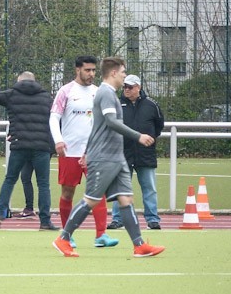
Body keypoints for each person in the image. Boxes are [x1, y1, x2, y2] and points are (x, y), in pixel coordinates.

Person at [52, 57, 165, 258]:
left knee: (126, 199)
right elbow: (111, 122)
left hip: (116, 156)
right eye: (123, 72)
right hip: (103, 157)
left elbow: (94, 127)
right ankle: (64, 238)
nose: (124, 76)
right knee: (91, 199)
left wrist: (86, 149)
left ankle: (139, 245)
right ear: (113, 73)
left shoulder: (105, 93)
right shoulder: (105, 93)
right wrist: (138, 136)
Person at [49, 56, 118, 248]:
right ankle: (66, 235)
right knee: (68, 192)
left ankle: (101, 235)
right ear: (77, 70)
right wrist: (58, 140)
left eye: (94, 70)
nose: (92, 74)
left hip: (94, 152)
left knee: (98, 192)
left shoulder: (99, 92)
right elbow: (54, 118)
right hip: (70, 151)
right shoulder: (66, 91)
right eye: (87, 70)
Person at [0, 72, 56, 230]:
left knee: (10, 179)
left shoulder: (12, 95)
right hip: (41, 146)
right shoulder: (46, 98)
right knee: (43, 184)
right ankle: (45, 221)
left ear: (19, 81)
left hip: (20, 144)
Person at [108, 75, 164, 230]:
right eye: (125, 86)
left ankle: (152, 219)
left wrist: (149, 139)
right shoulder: (117, 104)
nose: (127, 89)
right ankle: (117, 219)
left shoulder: (152, 104)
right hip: (122, 153)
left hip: (145, 153)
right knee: (120, 188)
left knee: (149, 187)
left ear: (138, 87)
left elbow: (159, 126)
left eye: (130, 87)